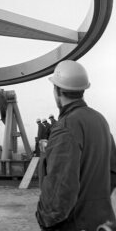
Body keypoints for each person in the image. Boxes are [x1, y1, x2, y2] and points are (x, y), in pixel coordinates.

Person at [36, 60, 116, 231]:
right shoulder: (100, 120)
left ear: (56, 90)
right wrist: (93, 203)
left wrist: (44, 220)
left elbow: (60, 189)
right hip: (104, 222)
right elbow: (113, 170)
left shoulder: (66, 127)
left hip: (75, 225)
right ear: (82, 90)